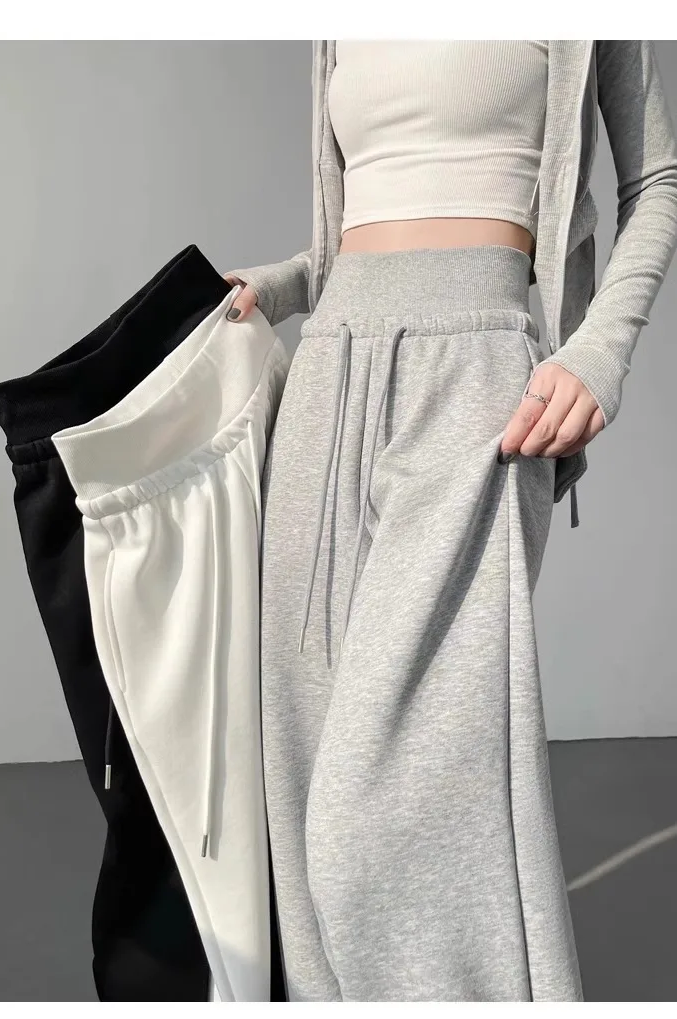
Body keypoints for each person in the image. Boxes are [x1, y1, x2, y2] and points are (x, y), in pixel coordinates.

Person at [221, 40, 677, 1002]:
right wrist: (290, 284)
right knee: (300, 790)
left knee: (382, 809)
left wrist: (601, 349)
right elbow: (364, 216)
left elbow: (658, 178)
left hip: (475, 379)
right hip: (328, 373)